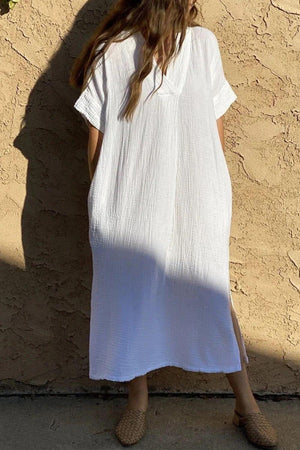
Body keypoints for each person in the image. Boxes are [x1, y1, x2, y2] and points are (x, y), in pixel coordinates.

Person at [69, 0, 278, 447]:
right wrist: (105, 205)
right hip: (128, 200)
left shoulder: (203, 45)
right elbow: (97, 138)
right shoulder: (112, 51)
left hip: (195, 197)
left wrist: (214, 188)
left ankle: (247, 407)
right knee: (130, 295)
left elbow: (213, 126)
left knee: (210, 291)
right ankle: (138, 404)